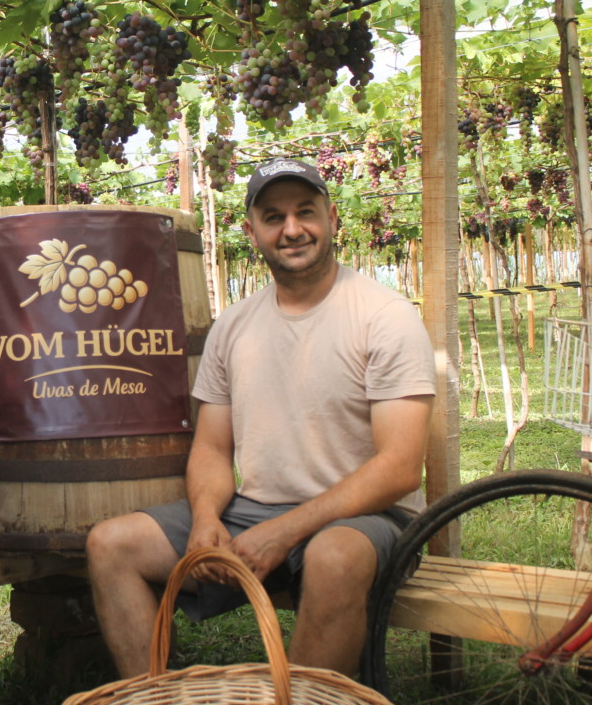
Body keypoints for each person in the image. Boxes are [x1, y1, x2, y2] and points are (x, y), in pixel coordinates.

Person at [86, 158, 436, 678]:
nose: (292, 229)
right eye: (273, 217)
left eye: (305, 212)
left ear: (333, 218)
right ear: (252, 232)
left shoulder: (384, 317)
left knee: (333, 558)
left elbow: (401, 469)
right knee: (110, 544)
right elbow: (210, 448)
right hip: (254, 512)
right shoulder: (235, 326)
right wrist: (206, 519)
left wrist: (287, 532)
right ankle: (150, 693)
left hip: (369, 519)